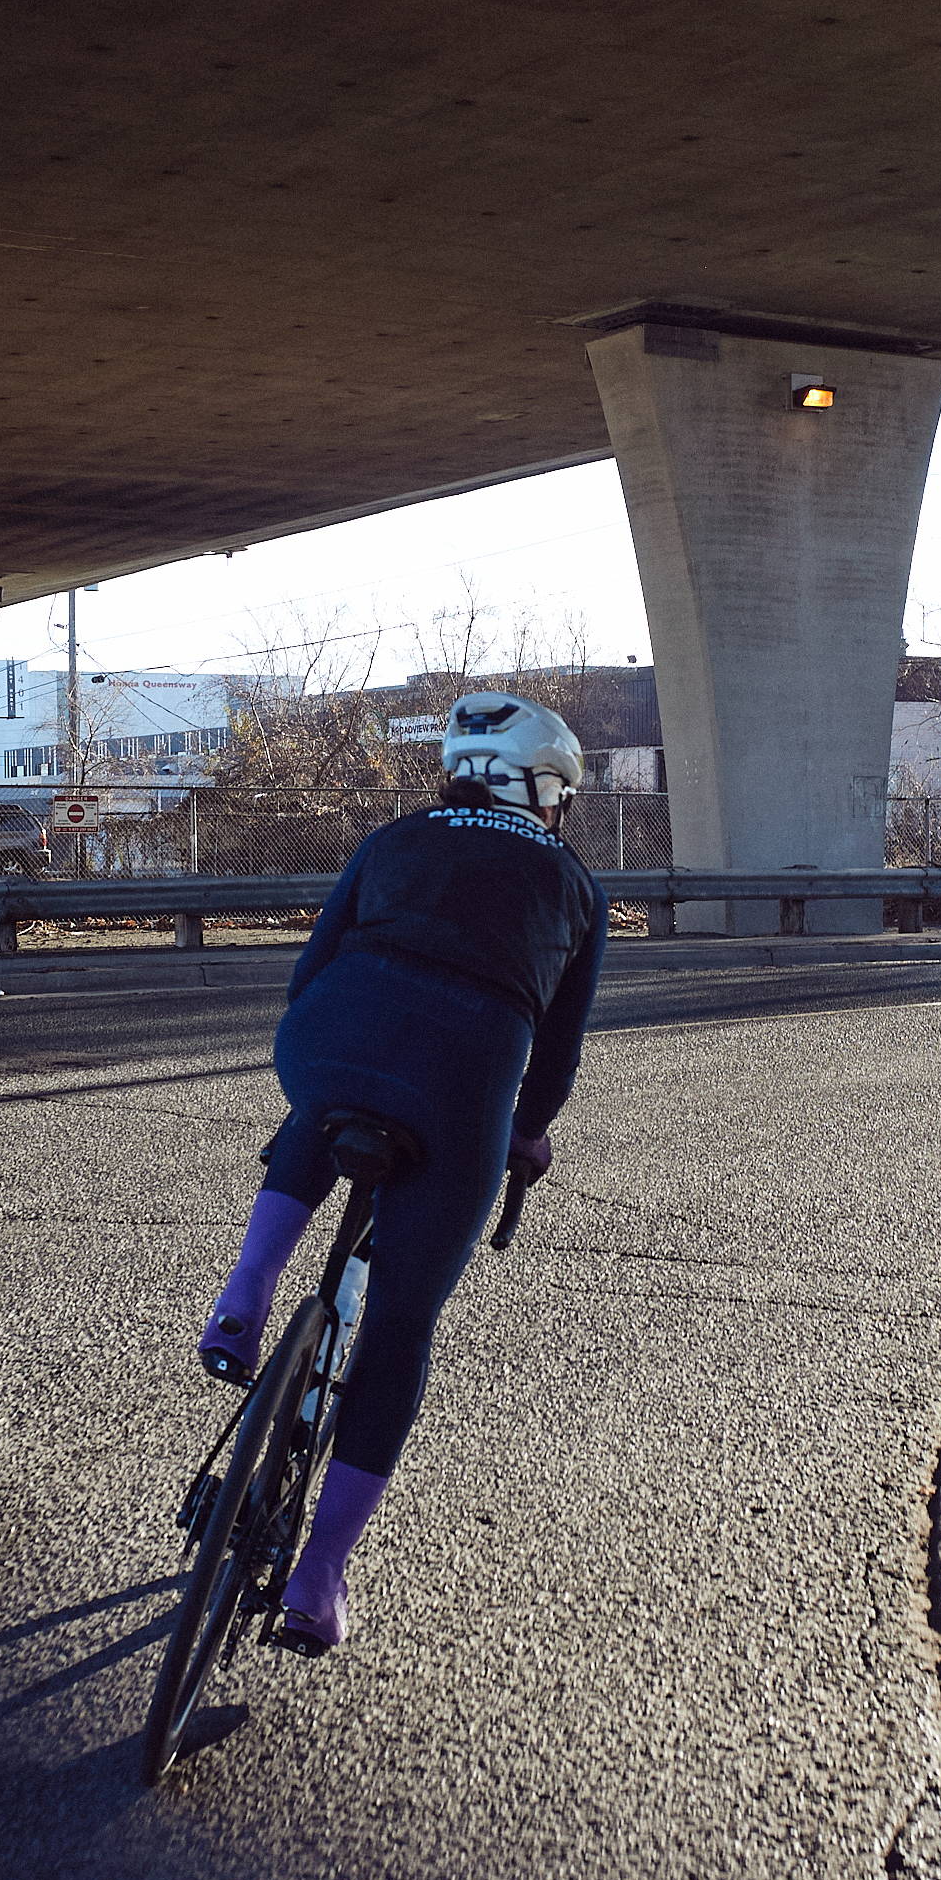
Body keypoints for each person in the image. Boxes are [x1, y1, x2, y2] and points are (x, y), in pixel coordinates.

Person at [197, 690, 607, 1653]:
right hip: (459, 1089)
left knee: (325, 1095)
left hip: (324, 1039)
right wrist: (528, 1133)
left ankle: (245, 1294)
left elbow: (314, 968)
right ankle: (318, 1580)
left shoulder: (394, 839)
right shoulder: (575, 884)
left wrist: (323, 1056)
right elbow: (556, 1054)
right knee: (400, 1327)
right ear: (544, 787)